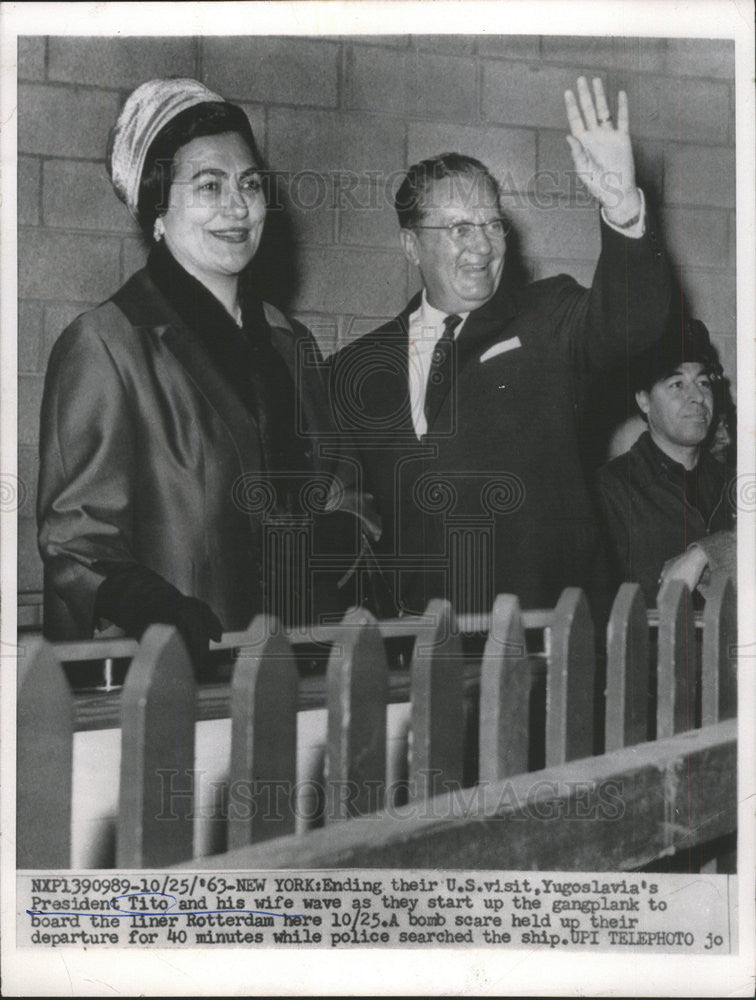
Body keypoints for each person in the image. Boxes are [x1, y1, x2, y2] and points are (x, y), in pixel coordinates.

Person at [37, 78, 375, 667]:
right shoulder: (106, 344)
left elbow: (348, 492)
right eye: (208, 186)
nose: (237, 207)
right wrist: (153, 606)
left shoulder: (289, 342)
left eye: (249, 184)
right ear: (157, 211)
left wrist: (330, 543)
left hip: (298, 669)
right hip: (174, 680)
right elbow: (75, 543)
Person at [330, 77, 672, 616]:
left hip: (549, 642)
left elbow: (637, 322)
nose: (483, 245)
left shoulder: (548, 316)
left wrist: (623, 208)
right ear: (410, 245)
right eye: (459, 228)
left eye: (492, 224)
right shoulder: (355, 368)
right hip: (424, 652)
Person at [596, 319, 735, 607]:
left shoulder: (734, 482)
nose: (697, 397)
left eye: (703, 382)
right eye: (677, 384)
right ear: (644, 400)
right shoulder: (609, 490)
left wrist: (706, 553)